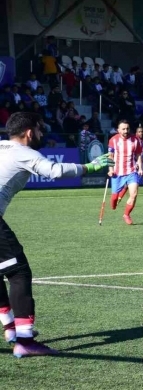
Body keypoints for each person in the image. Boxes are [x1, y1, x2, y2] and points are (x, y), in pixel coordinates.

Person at [0, 112, 110, 357]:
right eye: (39, 130)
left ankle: (10, 328)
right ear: (29, 132)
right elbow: (55, 171)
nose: (41, 135)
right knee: (18, 272)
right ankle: (25, 341)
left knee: (2, 268)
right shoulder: (25, 153)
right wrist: (89, 166)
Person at [108, 120, 143, 225]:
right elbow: (110, 156)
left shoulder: (135, 140)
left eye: (127, 128)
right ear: (118, 130)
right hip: (117, 173)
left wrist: (141, 168)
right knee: (114, 198)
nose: (126, 131)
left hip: (132, 171)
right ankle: (114, 203)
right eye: (123, 129)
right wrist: (110, 170)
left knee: (134, 194)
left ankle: (126, 214)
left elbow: (138, 155)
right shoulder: (113, 140)